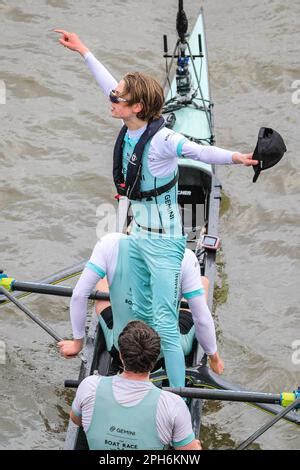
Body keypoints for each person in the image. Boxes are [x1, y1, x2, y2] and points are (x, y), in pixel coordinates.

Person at [54, 30, 256, 387]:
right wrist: (83, 50)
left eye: (119, 98)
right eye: (115, 96)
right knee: (120, 297)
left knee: (164, 322)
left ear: (138, 108)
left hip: (165, 245)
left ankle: (175, 399)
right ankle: (119, 353)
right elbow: (107, 83)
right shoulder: (128, 122)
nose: (112, 98)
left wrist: (238, 157)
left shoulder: (164, 140)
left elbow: (201, 152)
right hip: (136, 236)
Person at [58, 232, 224, 375]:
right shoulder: (186, 256)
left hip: (120, 349)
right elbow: (201, 318)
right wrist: (214, 358)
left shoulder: (110, 242)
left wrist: (77, 344)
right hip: (165, 354)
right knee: (202, 282)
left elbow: (79, 295)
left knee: (102, 282)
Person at [70, 320, 201, 450]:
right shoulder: (173, 404)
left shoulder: (89, 386)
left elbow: (76, 420)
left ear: (121, 355)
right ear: (155, 359)